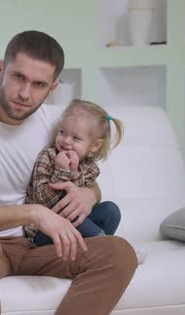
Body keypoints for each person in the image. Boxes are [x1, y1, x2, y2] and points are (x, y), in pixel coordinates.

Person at [0, 30, 137, 315]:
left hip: (33, 246)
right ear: (1, 69)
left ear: (53, 88)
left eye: (39, 84)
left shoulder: (51, 123)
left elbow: (86, 178)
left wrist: (88, 194)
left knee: (119, 252)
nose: (26, 94)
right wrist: (34, 213)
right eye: (18, 77)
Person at [24, 99, 123, 247]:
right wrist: (61, 171)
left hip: (72, 224)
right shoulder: (48, 157)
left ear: (95, 146)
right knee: (74, 218)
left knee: (111, 210)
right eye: (62, 132)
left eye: (76, 138)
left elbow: (82, 203)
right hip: (43, 230)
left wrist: (75, 172)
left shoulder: (90, 169)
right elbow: (42, 200)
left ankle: (94, 250)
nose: (66, 141)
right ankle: (109, 247)